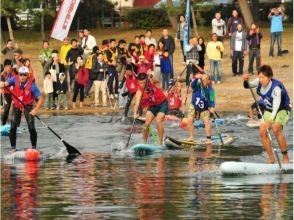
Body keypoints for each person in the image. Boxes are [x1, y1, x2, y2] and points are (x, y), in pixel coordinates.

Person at [243, 65, 291, 163]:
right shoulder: (259, 81)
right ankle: (271, 157)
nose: (261, 80)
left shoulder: (276, 88)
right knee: (262, 130)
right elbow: (248, 85)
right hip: (269, 108)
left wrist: (270, 120)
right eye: (260, 77)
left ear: (270, 77)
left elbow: (276, 106)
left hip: (282, 108)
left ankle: (285, 157)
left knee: (276, 128)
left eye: (263, 77)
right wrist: (245, 80)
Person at [0, 66, 43, 152]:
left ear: (28, 75)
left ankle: (34, 148)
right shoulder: (14, 79)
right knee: (13, 127)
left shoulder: (32, 85)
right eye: (21, 74)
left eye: (25, 75)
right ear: (18, 74)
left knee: (31, 127)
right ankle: (13, 148)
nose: (22, 76)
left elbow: (40, 99)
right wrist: (2, 84)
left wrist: (35, 110)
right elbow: (6, 83)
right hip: (16, 106)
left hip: (28, 106)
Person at [133, 72, 168, 145]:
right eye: (140, 83)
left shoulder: (150, 81)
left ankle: (160, 142)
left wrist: (152, 76)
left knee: (158, 120)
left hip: (162, 103)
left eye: (143, 82)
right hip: (152, 106)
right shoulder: (139, 91)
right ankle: (144, 143)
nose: (142, 85)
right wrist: (135, 113)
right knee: (146, 125)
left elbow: (158, 81)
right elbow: (137, 103)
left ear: (146, 80)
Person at [186, 74, 215, 142]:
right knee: (189, 120)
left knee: (206, 121)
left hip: (204, 107)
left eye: (205, 80)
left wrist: (212, 107)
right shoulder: (197, 86)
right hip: (194, 105)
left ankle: (208, 139)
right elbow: (192, 85)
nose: (203, 81)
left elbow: (212, 101)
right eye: (202, 80)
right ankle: (191, 137)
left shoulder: (211, 90)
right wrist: (196, 78)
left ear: (208, 81)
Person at [1, 59, 14, 125]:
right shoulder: (2, 74)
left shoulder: (13, 72)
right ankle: (3, 124)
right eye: (8, 67)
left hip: (14, 94)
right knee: (6, 109)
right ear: (5, 67)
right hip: (6, 94)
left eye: (10, 66)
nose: (9, 68)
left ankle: (15, 125)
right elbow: (1, 84)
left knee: (16, 110)